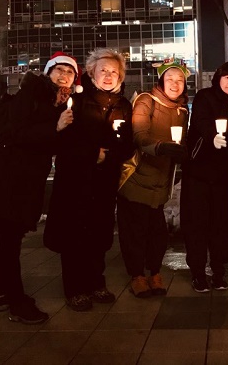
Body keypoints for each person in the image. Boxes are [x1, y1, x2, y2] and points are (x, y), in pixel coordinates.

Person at [0, 51, 77, 324]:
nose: (64, 75)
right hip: (9, 182)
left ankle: (1, 294)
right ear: (48, 72)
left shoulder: (55, 103)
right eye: (60, 70)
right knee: (9, 243)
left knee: (9, 242)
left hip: (23, 183)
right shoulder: (30, 94)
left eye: (70, 72)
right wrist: (54, 128)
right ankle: (17, 303)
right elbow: (15, 133)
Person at [44, 48, 133, 311]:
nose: (108, 75)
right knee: (74, 234)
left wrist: (111, 155)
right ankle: (74, 287)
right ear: (92, 72)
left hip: (104, 183)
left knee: (99, 233)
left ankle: (96, 281)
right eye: (103, 70)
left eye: (114, 71)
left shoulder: (124, 106)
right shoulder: (77, 101)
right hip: (75, 181)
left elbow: (128, 145)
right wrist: (93, 153)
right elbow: (65, 139)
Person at [180, 61, 228, 292]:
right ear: (218, 79)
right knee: (197, 224)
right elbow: (201, 121)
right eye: (227, 78)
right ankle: (197, 272)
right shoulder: (205, 96)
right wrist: (212, 135)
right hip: (198, 172)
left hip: (222, 175)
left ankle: (218, 270)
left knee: (220, 224)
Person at [116, 59, 189, 298]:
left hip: (161, 179)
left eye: (180, 80)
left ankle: (154, 272)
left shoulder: (181, 110)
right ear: (160, 81)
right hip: (136, 176)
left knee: (157, 233)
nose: (175, 84)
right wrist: (160, 148)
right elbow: (139, 135)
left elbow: (182, 142)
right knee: (134, 231)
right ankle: (137, 275)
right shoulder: (146, 100)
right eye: (170, 79)